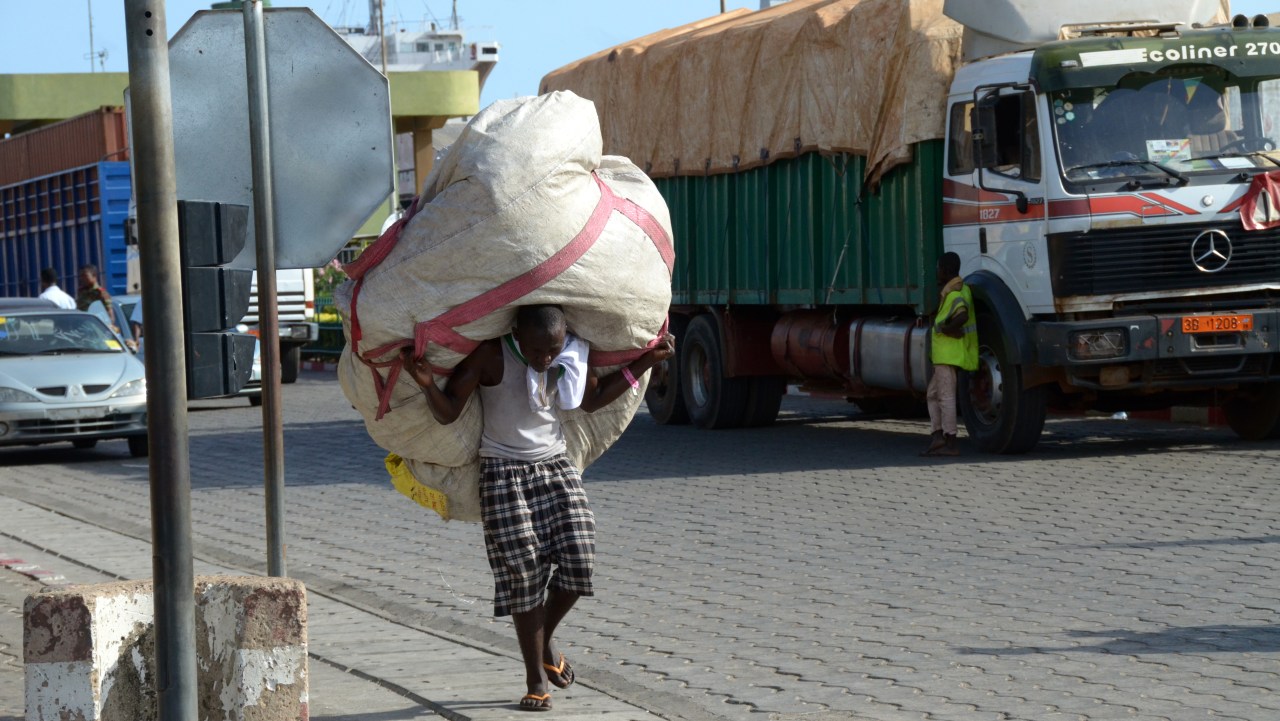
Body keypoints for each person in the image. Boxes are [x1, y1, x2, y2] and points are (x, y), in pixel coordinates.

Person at [401, 305, 675, 712]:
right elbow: (449, 412)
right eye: (536, 351)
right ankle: (535, 676)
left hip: (556, 466)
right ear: (516, 333)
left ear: (564, 336)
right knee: (524, 571)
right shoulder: (492, 356)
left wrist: (645, 361)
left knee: (580, 560)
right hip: (503, 473)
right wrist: (427, 384)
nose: (546, 359)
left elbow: (593, 399)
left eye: (553, 349)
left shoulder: (571, 353)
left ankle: (543, 637)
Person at [922, 252, 977, 457]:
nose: (937, 271)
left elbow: (961, 315)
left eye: (938, 268)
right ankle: (937, 437)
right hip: (944, 356)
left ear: (945, 271)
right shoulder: (955, 290)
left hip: (948, 355)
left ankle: (950, 441)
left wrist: (948, 328)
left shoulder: (954, 293)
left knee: (945, 397)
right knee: (933, 394)